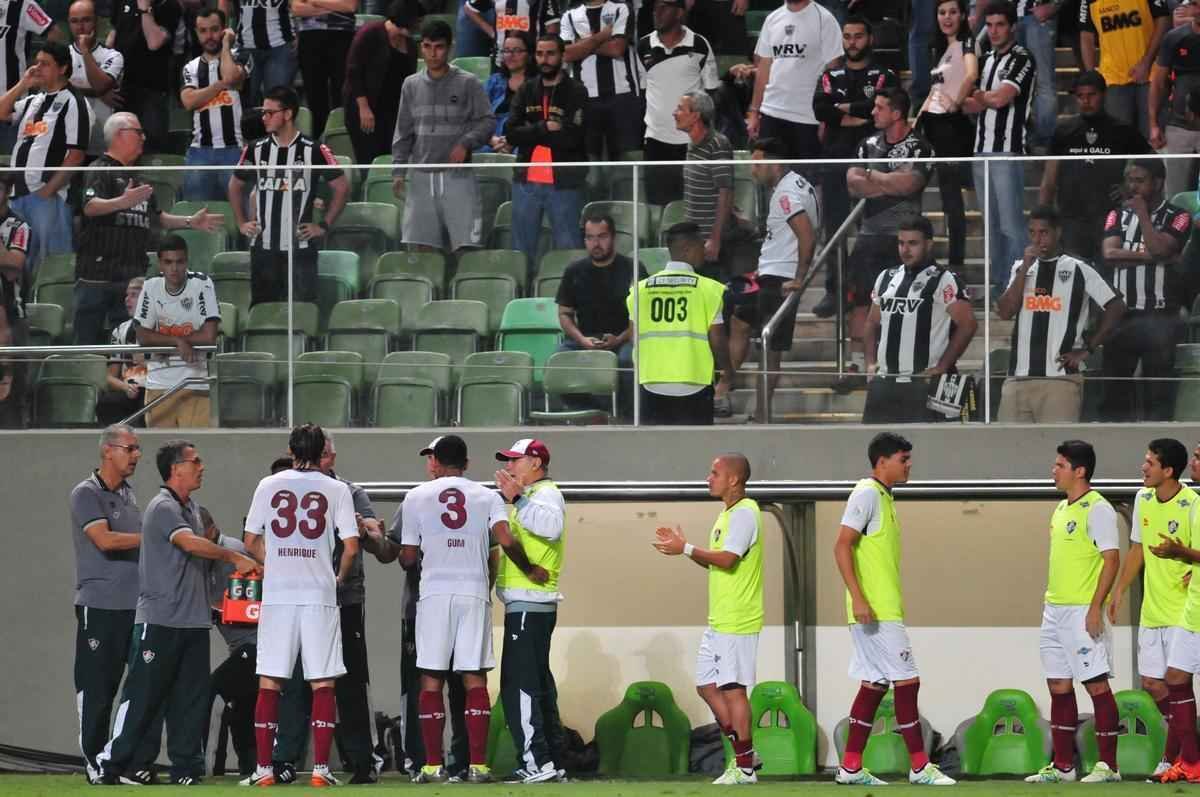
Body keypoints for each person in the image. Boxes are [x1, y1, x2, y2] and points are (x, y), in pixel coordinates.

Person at [97, 440, 257, 786]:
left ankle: (186, 767)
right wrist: (233, 557)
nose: (202, 466)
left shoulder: (194, 509)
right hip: (159, 620)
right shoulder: (162, 506)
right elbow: (187, 543)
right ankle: (115, 764)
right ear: (175, 469)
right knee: (142, 696)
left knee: (191, 701)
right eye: (195, 461)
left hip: (194, 623)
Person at [398, 434, 547, 783]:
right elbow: (506, 540)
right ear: (466, 464)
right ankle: (478, 766)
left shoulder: (416, 496)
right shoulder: (487, 496)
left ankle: (433, 766)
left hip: (434, 594)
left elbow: (406, 558)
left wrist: (427, 552)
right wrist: (529, 569)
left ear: (436, 462)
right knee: (474, 676)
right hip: (473, 592)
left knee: (431, 678)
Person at [239, 424, 360, 788]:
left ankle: (263, 769)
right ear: (322, 449)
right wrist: (337, 577)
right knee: (322, 680)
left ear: (291, 450)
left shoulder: (268, 484)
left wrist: (274, 562)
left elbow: (250, 539)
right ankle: (321, 770)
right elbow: (351, 546)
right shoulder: (337, 488)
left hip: (278, 593)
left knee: (270, 680)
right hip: (318, 593)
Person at [832, 432, 956, 787]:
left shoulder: (885, 498)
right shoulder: (867, 493)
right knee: (907, 682)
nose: (909, 465)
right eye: (903, 459)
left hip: (879, 609)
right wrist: (858, 597)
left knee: (874, 684)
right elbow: (841, 546)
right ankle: (919, 766)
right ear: (882, 461)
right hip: (876, 611)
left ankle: (850, 767)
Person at [652, 452, 764, 786]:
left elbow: (728, 559)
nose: (708, 477)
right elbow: (719, 561)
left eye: (714, 472)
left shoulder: (745, 513)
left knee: (733, 690)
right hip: (719, 619)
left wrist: (686, 548)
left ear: (734, 479)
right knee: (707, 686)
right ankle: (748, 754)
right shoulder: (726, 515)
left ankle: (744, 767)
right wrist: (685, 549)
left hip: (737, 618)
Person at [76, 112, 222, 345]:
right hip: (98, 276)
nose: (143, 137)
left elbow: (157, 217)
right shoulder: (99, 169)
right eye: (138, 132)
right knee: (87, 342)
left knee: (128, 342)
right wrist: (121, 202)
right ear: (119, 134)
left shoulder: (138, 178)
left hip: (131, 276)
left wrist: (189, 222)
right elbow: (90, 206)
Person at [1023, 440, 1122, 784]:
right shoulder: (1061, 509)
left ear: (1079, 471)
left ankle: (1108, 767)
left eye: (1060, 465)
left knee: (1096, 686)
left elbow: (1112, 560)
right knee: (1059, 686)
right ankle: (1063, 766)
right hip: (1054, 610)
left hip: (1083, 611)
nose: (1054, 470)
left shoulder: (1099, 509)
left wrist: (1095, 607)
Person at [1108, 438, 1195, 779]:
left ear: (1168, 470)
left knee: (1177, 685)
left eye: (1150, 463)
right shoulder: (1143, 498)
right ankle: (1185, 753)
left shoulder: (1191, 504)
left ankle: (1176, 758)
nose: (1143, 467)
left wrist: (1187, 561)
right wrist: (1119, 591)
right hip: (1152, 610)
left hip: (1183, 612)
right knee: (1153, 684)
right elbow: (1137, 549)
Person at [716, 137, 817, 421]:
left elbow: (806, 235)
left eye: (757, 163)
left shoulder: (786, 194)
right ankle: (725, 385)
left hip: (780, 279)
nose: (753, 170)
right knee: (739, 320)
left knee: (770, 350)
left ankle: (761, 413)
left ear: (774, 164)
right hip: (770, 274)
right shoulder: (796, 184)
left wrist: (799, 277)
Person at [995, 206, 1126, 423]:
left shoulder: (1079, 268)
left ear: (1058, 232)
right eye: (1032, 233)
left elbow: (1116, 305)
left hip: (1060, 380)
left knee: (1059, 450)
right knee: (1010, 450)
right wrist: (1025, 268)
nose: (1037, 240)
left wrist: (1088, 349)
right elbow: (1006, 311)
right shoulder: (1020, 267)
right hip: (1017, 377)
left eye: (1044, 232)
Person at [841, 88, 932, 388]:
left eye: (879, 108)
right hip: (869, 235)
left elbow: (910, 184)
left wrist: (874, 176)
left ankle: (904, 362)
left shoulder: (919, 146)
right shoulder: (867, 143)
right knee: (860, 301)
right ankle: (859, 365)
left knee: (905, 302)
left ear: (896, 113)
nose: (872, 112)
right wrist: (889, 182)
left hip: (904, 236)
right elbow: (853, 184)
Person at [229, 85, 350, 307]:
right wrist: (241, 223)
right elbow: (235, 185)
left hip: (300, 249)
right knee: (264, 314)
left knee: (302, 313)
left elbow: (342, 187)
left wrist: (324, 225)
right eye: (262, 112)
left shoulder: (314, 149)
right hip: (263, 250)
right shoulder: (256, 149)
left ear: (288, 114)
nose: (264, 118)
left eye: (269, 112)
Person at [812, 16, 901, 317]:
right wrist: (858, 113)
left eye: (858, 36)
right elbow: (819, 108)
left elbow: (886, 103)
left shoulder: (884, 73)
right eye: (847, 36)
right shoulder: (830, 74)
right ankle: (834, 290)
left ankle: (875, 289)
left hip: (874, 159)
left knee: (874, 228)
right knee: (834, 227)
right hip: (835, 157)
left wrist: (843, 109)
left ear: (870, 39)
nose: (852, 42)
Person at [70, 425, 143, 785]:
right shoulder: (86, 494)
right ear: (108, 451)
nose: (136, 455)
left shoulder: (130, 495)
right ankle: (94, 763)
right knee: (97, 687)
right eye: (130, 448)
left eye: (137, 449)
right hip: (99, 606)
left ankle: (119, 761)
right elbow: (104, 539)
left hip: (134, 606)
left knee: (138, 687)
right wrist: (154, 539)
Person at [493, 438, 568, 783]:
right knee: (537, 684)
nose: (509, 468)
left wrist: (517, 498)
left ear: (535, 463)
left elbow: (551, 529)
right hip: (531, 604)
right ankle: (552, 759)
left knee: (519, 686)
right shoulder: (532, 497)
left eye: (515, 461)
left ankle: (538, 763)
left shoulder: (544, 494)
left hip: (531, 603)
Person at [391, 19, 494, 253]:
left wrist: (466, 143)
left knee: (466, 246)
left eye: (438, 47)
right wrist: (398, 171)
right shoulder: (410, 85)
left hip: (457, 175)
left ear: (449, 48)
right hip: (420, 175)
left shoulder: (469, 83)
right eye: (427, 46)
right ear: (421, 48)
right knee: (423, 249)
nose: (433, 53)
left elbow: (488, 121)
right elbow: (403, 131)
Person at [862, 214, 976, 423]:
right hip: (885, 381)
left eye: (913, 243)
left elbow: (968, 325)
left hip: (925, 382)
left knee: (931, 450)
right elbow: (871, 321)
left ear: (929, 244)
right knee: (875, 448)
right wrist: (870, 363)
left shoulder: (944, 279)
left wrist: (943, 366)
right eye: (901, 243)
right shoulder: (886, 277)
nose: (905, 250)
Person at [1100, 158, 1190, 422]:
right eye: (1130, 180)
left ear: (1159, 182)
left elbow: (1162, 247)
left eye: (1140, 181)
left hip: (1160, 316)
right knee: (1113, 395)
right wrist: (1155, 257)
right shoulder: (1116, 214)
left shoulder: (1178, 215)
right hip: (1121, 317)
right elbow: (1110, 254)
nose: (1133, 186)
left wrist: (1142, 215)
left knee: (1158, 394)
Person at [1037, 70, 1152, 264]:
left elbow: (1151, 163)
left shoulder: (1122, 130)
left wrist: (1129, 188)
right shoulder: (1064, 131)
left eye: (1091, 95)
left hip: (1110, 218)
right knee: (1074, 278)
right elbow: (1049, 177)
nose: (1086, 101)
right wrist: (1042, 215)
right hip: (1071, 218)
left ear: (1103, 95)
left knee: (1107, 278)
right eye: (1080, 96)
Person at [962, 0, 1034, 299]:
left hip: (1007, 151)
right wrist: (979, 97)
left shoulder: (1022, 57)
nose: (992, 31)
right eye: (988, 25)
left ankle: (1018, 287)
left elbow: (1001, 98)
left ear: (1012, 27)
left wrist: (977, 95)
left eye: (999, 25)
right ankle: (999, 283)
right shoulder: (988, 58)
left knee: (1011, 224)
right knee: (992, 227)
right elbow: (969, 104)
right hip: (981, 150)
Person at [0, 41, 88, 274]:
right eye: (36, 62)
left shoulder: (74, 102)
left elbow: (76, 155)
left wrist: (48, 190)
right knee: (19, 264)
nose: (38, 68)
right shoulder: (33, 99)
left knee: (50, 263)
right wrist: (23, 83)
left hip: (47, 196)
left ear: (62, 68)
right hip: (17, 194)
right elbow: (1, 112)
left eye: (45, 64)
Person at [628, 221, 728, 425]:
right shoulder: (709, 289)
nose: (704, 250)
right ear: (687, 249)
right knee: (695, 449)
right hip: (695, 384)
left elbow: (633, 336)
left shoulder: (640, 289)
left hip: (651, 382)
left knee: (655, 451)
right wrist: (728, 371)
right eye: (701, 245)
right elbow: (717, 339)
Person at [505, 34, 587, 269]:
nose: (545, 59)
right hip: (526, 182)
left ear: (562, 56)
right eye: (540, 54)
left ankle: (571, 301)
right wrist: (545, 127)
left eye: (551, 53)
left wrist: (531, 132)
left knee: (569, 248)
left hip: (564, 181)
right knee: (521, 251)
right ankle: (523, 298)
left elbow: (573, 138)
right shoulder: (527, 89)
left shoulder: (576, 91)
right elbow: (511, 133)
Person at [635, 0, 719, 207]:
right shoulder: (643, 46)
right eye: (655, 8)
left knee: (695, 205)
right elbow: (644, 89)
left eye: (664, 7)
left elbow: (712, 94)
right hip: (655, 142)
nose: (657, 12)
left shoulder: (699, 44)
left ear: (679, 13)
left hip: (692, 142)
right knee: (657, 207)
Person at [1148, 453, 1200, 783]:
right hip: (1192, 605)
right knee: (1173, 679)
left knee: (1176, 679)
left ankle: (1188, 761)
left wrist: (1180, 554)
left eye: (1199, 457)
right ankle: (1187, 761)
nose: (1194, 462)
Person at [131, 235, 220, 428]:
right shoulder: (150, 286)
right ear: (160, 264)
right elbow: (142, 335)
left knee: (195, 451)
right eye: (168, 262)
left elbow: (209, 336)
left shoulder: (202, 284)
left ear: (186, 261)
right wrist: (178, 342)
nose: (174, 268)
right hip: (158, 385)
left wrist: (164, 341)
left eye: (180, 262)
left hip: (195, 385)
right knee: (161, 453)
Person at [916, 0, 976, 272]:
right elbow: (933, 92)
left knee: (952, 201)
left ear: (963, 15)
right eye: (942, 12)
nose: (947, 17)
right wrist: (915, 123)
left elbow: (972, 74)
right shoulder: (939, 49)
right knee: (933, 194)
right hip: (932, 126)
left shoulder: (966, 42)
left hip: (951, 128)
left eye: (953, 12)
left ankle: (956, 265)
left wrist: (956, 102)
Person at [201, 506, 259, 778]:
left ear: (210, 530)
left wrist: (215, 611)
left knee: (214, 691)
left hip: (256, 644)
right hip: (239, 646)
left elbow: (256, 599)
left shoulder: (235, 552)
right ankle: (252, 770)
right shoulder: (203, 560)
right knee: (243, 710)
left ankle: (207, 767)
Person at [745, 0, 841, 156]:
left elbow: (834, 70)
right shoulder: (772, 19)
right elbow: (764, 67)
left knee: (805, 177)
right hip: (771, 112)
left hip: (808, 116)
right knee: (768, 177)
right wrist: (754, 111)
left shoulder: (825, 19)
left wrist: (826, 116)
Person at [676, 90, 754, 284]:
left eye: (680, 108)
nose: (675, 113)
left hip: (713, 242)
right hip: (695, 239)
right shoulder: (692, 146)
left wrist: (715, 239)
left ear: (696, 116)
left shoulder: (717, 144)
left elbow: (725, 191)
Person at [560, 0, 644, 164]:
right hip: (585, 99)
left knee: (626, 165)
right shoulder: (569, 16)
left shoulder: (621, 8)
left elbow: (617, 48)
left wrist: (581, 44)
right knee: (589, 166)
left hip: (623, 97)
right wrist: (602, 36)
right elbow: (565, 54)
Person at [180, 7, 249, 202]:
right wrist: (220, 85)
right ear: (196, 33)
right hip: (199, 152)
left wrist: (226, 45)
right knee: (196, 213)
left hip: (234, 149)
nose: (209, 36)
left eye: (215, 29)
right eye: (203, 31)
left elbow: (231, 76)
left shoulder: (240, 56)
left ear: (224, 29)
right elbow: (189, 101)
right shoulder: (190, 66)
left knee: (240, 217)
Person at [1079, 0, 1167, 138]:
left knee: (1153, 139)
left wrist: (1146, 62)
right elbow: (1086, 36)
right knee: (1118, 140)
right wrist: (1092, 77)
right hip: (1112, 78)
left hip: (1150, 75)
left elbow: (1163, 19)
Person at [342, 0, 417, 164]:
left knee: (393, 158)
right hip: (364, 109)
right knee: (369, 159)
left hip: (392, 112)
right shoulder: (370, 33)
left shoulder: (410, 44)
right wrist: (364, 108)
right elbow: (353, 71)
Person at [109, 0, 180, 153]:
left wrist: (144, 9)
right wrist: (106, 84)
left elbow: (154, 42)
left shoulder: (169, 6)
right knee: (120, 148)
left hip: (152, 92)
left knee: (150, 149)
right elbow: (112, 39)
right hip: (124, 90)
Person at [1148, 9, 1200, 198]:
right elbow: (1158, 83)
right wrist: (1153, 124)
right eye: (1195, 3)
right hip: (1178, 127)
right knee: (1175, 194)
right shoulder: (1174, 38)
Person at [291, 0, 358, 140]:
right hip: (310, 39)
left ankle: (341, 139)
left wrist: (314, 2)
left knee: (341, 93)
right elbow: (297, 9)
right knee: (314, 95)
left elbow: (349, 6)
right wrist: (334, 7)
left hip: (342, 38)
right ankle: (317, 143)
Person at [67, 0, 123, 157]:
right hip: (68, 140)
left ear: (96, 21)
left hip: (102, 140)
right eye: (74, 21)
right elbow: (52, 88)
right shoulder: (62, 55)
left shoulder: (113, 56)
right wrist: (97, 94)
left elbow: (99, 84)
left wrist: (85, 50)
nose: (80, 26)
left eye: (86, 20)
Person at [0, 0, 55, 153]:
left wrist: (41, 65)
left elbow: (54, 32)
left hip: (12, 107)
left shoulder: (24, 5)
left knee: (12, 165)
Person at [1012, 0, 1062, 150]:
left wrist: (1054, 5)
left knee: (1043, 82)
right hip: (1014, 17)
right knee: (1015, 82)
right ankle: (1023, 138)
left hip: (1038, 16)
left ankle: (1045, 142)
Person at [0, 173, 29, 426]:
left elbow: (13, 266)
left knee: (12, 390)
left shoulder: (18, 225)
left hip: (11, 313)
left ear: (7, 191)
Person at [230, 0, 297, 109]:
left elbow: (297, 5)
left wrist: (298, 33)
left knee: (276, 102)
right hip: (246, 45)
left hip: (280, 44)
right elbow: (224, 3)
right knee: (245, 102)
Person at [98, 277, 146, 426]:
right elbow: (109, 377)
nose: (127, 300)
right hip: (130, 390)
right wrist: (125, 387)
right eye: (127, 295)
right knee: (107, 403)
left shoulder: (163, 327)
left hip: (155, 389)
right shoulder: (120, 331)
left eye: (133, 295)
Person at [463, 0, 560, 71]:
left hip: (530, 60)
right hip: (500, 58)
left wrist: (542, 54)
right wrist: (491, 32)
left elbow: (552, 26)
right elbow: (469, 8)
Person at [483, 31, 534, 153]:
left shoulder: (538, 83)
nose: (510, 55)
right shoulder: (494, 81)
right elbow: (478, 116)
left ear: (529, 54)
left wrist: (512, 141)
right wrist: (492, 140)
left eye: (516, 50)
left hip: (524, 140)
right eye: (506, 51)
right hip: (492, 140)